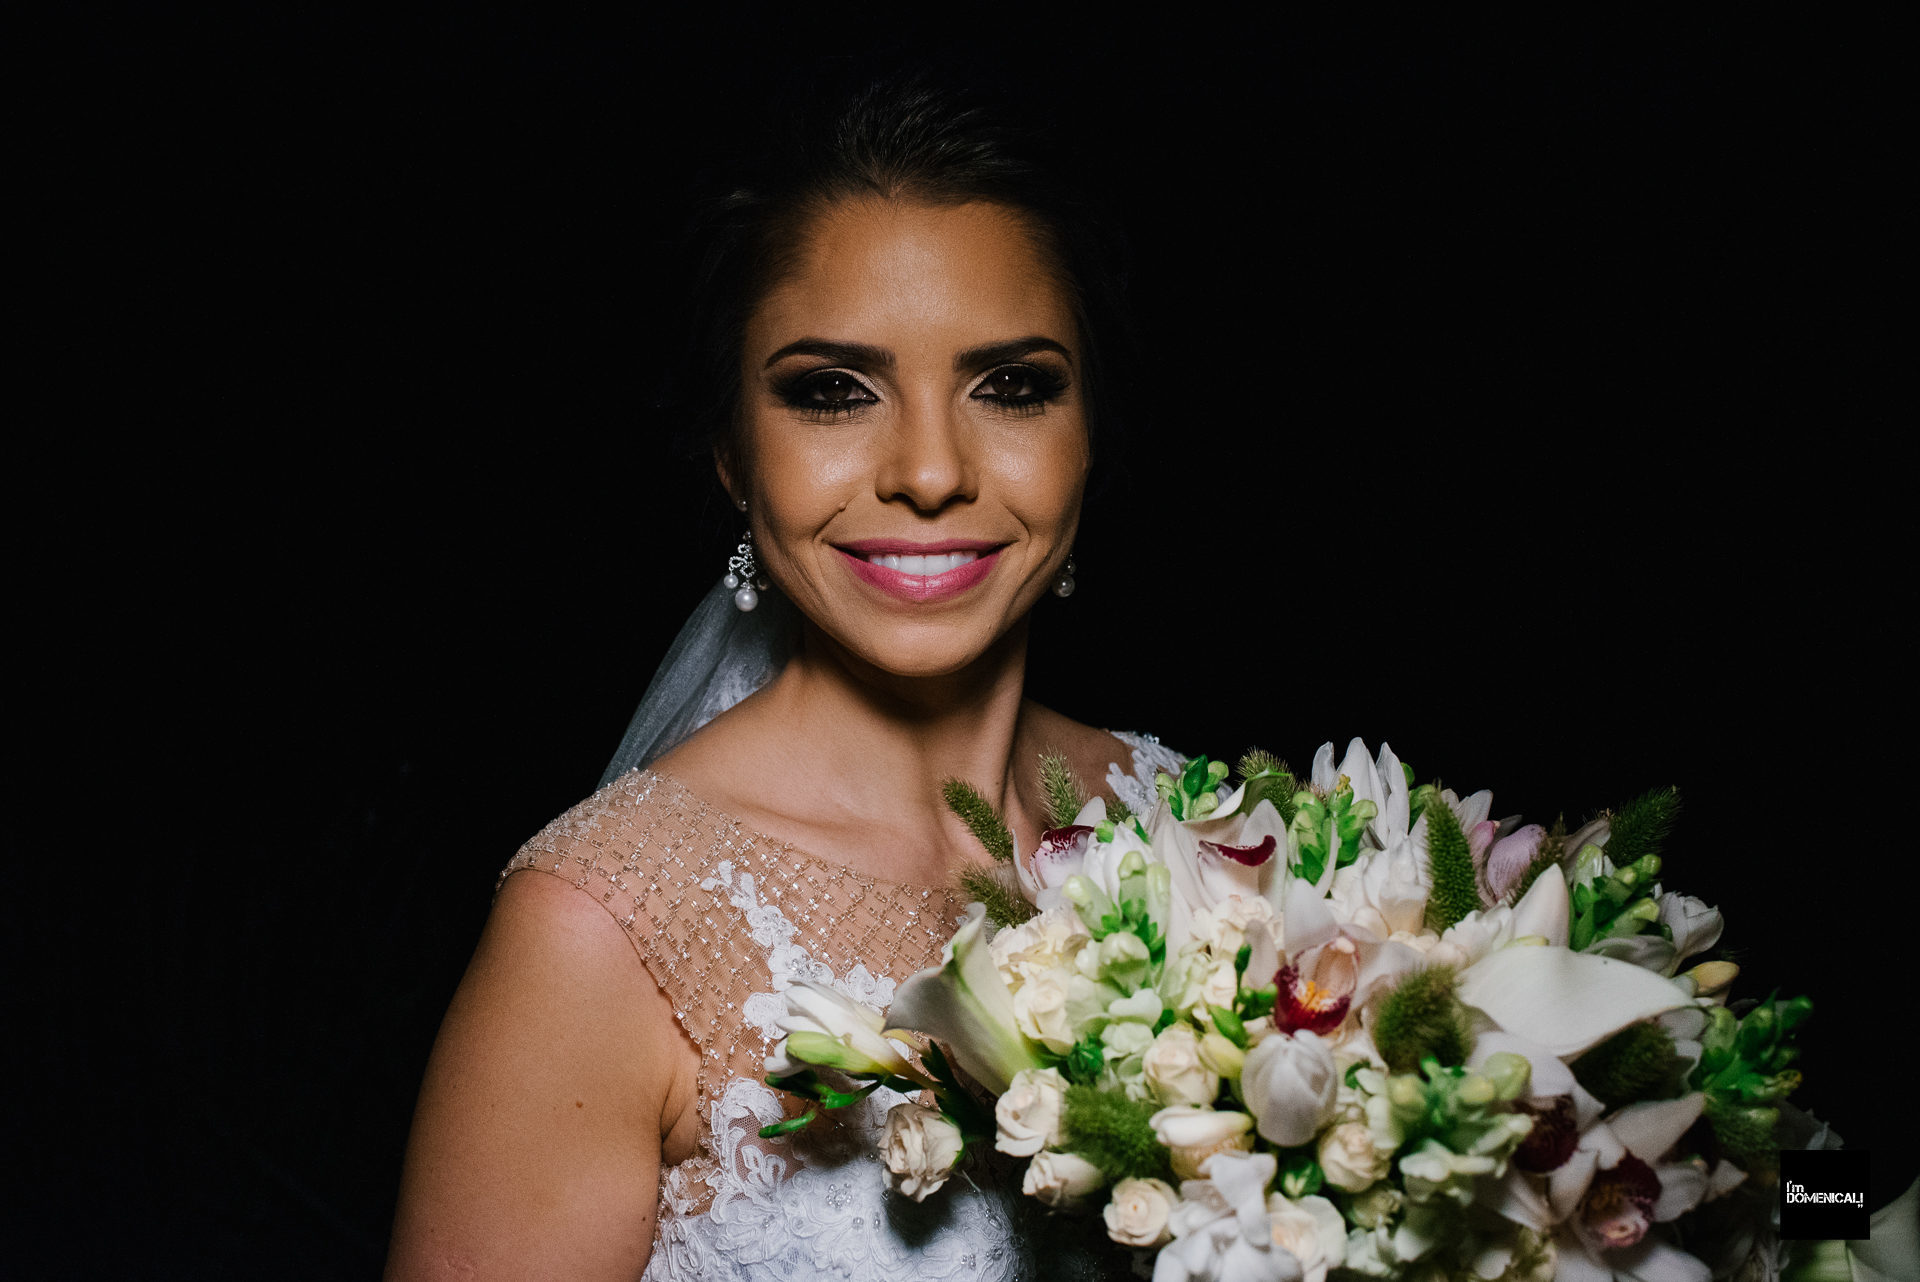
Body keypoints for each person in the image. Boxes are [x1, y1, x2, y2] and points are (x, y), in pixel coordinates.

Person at [386, 75, 1181, 1280]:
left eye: (1012, 385)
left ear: (1089, 435)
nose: (929, 471)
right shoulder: (603, 931)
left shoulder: (1208, 842)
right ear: (732, 452)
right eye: (831, 393)